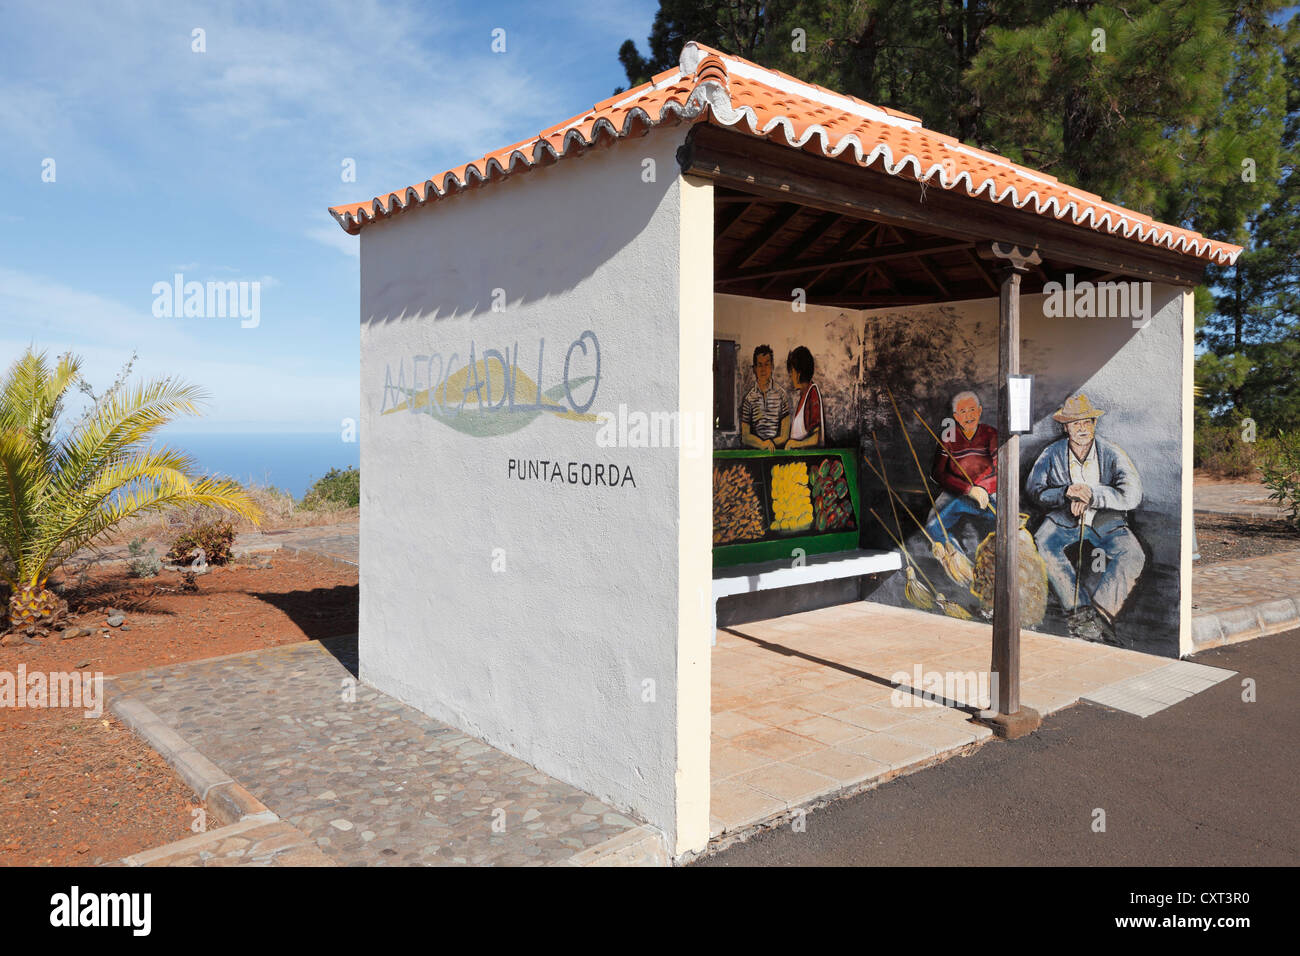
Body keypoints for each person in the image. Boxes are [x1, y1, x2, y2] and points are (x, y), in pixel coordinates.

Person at [1026, 393, 1145, 645]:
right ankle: (1078, 610)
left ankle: (1101, 614)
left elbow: (1132, 494)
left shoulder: (1111, 452)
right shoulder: (1051, 453)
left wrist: (1092, 495)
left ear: (1094, 424)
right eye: (1076, 423)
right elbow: (1035, 489)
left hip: (1105, 520)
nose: (1082, 428)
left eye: (1087, 422)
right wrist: (1066, 493)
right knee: (1043, 541)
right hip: (1065, 518)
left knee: (1133, 554)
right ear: (1065, 426)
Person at [924, 390, 997, 563]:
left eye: (972, 410)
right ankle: (960, 563)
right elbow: (938, 474)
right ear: (956, 416)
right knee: (933, 527)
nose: (968, 416)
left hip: (988, 493)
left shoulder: (991, 434)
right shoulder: (948, 436)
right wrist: (968, 489)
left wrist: (983, 488)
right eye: (963, 412)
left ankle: (990, 565)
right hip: (956, 492)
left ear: (979, 411)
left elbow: (999, 468)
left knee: (1006, 527)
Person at [740, 344, 790, 450]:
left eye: (767, 364)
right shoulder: (749, 399)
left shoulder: (781, 395)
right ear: (754, 369)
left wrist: (770, 443)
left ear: (772, 367)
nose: (763, 369)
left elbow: (785, 435)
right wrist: (761, 444)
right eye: (759, 365)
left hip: (778, 453)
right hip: (756, 454)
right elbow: (745, 436)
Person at [784, 346, 824, 449]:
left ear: (798, 374)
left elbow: (816, 438)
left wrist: (795, 444)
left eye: (792, 372)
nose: (790, 376)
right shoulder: (804, 395)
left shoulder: (812, 394)